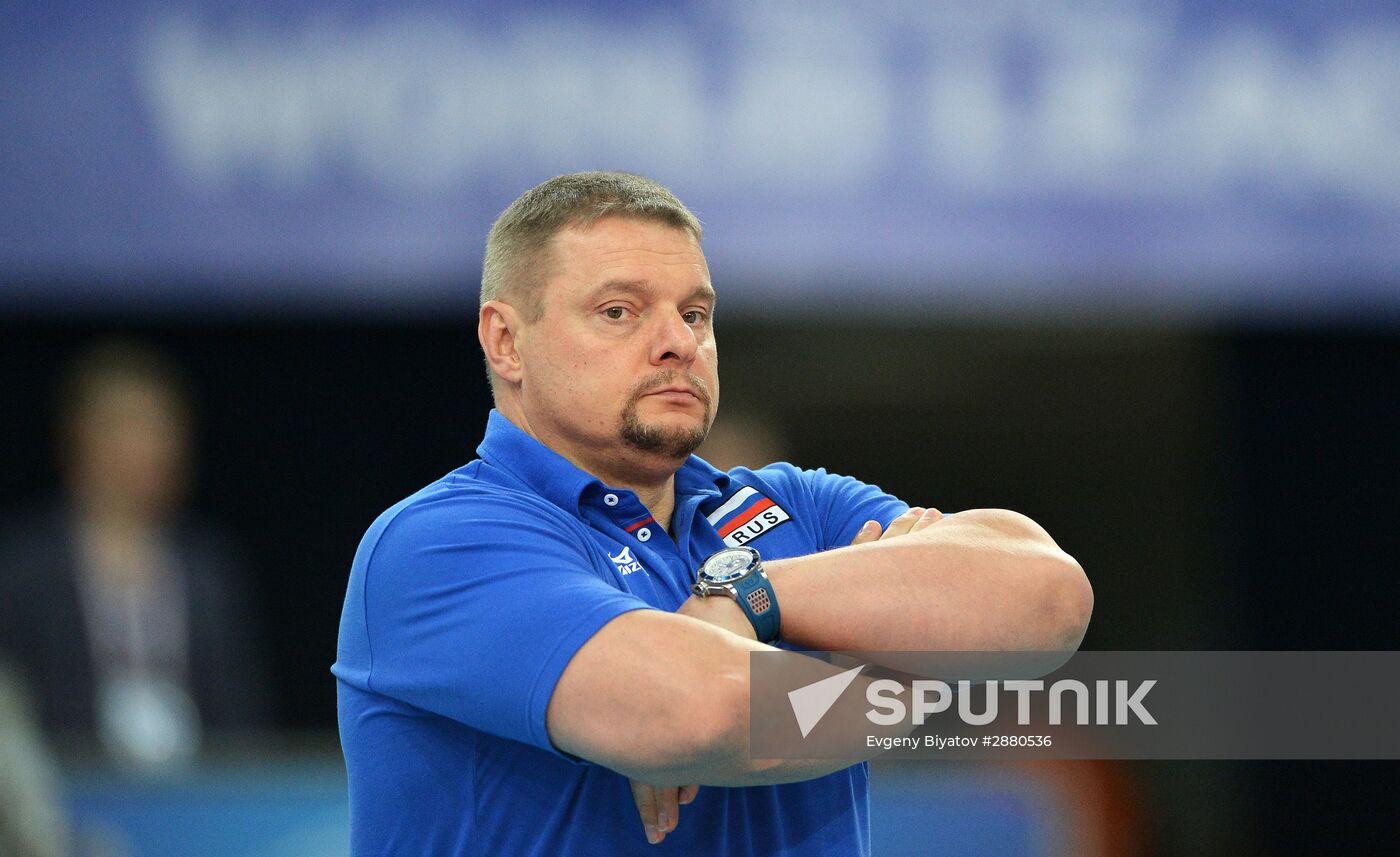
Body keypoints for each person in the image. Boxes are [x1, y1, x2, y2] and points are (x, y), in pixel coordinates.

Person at [333, 172, 1092, 855]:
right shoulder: (439, 541)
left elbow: (1048, 599)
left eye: (695, 313)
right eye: (620, 310)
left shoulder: (788, 501)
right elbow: (700, 715)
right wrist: (935, 669)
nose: (677, 342)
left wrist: (746, 601)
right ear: (506, 340)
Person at [0, 339, 269, 767]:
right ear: (82, 438)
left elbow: (240, 715)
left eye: (165, 430)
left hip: (199, 800)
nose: (155, 449)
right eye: (132, 428)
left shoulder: (210, 569)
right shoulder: (23, 570)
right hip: (69, 795)